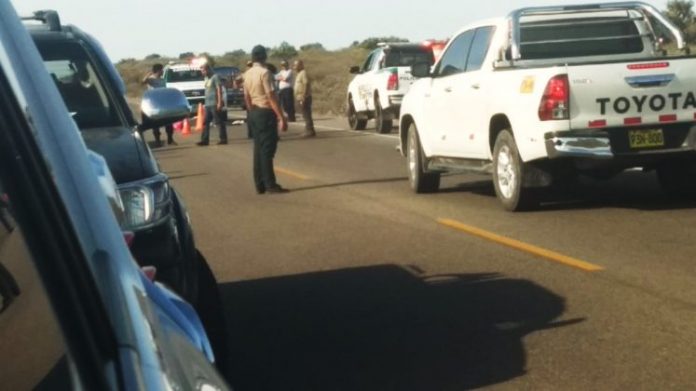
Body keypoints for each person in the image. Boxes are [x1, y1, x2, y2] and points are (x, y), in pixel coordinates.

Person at [244, 45, 288, 194]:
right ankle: (270, 184)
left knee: (258, 149)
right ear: (264, 57)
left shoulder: (247, 74)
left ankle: (260, 184)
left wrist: (251, 113)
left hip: (254, 111)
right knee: (267, 150)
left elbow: (247, 97)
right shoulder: (265, 73)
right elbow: (271, 96)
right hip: (265, 111)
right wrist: (281, 116)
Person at [141, 63, 176, 146]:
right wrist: (150, 74)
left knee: (169, 122)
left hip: (163, 103)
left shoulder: (162, 79)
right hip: (154, 104)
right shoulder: (151, 79)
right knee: (155, 124)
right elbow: (143, 82)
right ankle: (157, 140)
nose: (162, 71)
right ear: (157, 70)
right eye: (161, 70)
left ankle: (170, 139)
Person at [197, 62, 228, 146]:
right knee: (205, 122)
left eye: (203, 71)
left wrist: (219, 102)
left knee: (218, 121)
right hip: (208, 104)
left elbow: (219, 89)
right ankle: (204, 140)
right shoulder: (206, 78)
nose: (202, 73)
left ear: (208, 69)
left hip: (214, 103)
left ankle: (223, 139)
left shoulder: (215, 77)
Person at [293, 59, 315, 137]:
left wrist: (303, 96)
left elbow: (306, 84)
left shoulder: (303, 73)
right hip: (299, 97)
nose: (294, 67)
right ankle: (308, 129)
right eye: (294, 65)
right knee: (305, 113)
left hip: (304, 97)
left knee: (306, 113)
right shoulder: (299, 74)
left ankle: (310, 130)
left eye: (296, 65)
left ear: (301, 65)